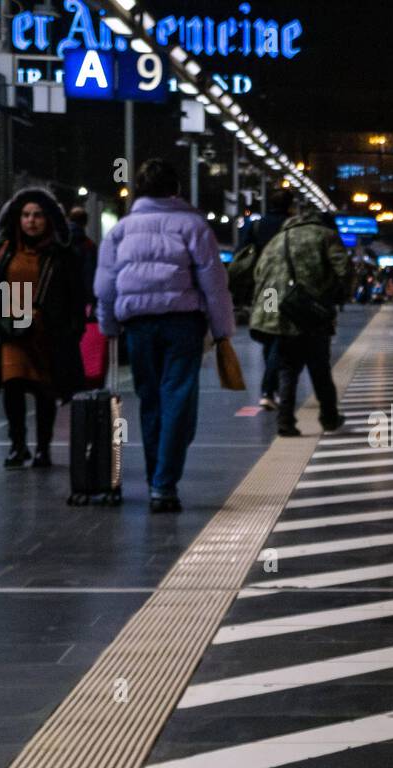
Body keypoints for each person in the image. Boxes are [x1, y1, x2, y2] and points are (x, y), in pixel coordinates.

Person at [95, 158, 236, 514]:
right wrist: (222, 331)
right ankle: (164, 483)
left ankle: (155, 479)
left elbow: (106, 285)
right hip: (182, 323)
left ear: (139, 191)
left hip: (138, 325)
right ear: (176, 190)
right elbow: (214, 284)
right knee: (178, 399)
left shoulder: (121, 230)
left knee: (150, 400)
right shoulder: (194, 227)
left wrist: (107, 325)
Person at [0, 188, 85, 469]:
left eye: (37, 215)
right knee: (12, 386)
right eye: (25, 215)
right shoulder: (4, 247)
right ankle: (17, 445)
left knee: (45, 392)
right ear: (17, 218)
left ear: (48, 219)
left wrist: (73, 330)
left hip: (47, 332)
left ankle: (43, 448)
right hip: (11, 331)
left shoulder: (62, 252)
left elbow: (76, 294)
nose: (31, 221)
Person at [249, 204, 352, 438]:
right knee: (320, 369)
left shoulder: (277, 240)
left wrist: (270, 313)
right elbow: (344, 269)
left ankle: (285, 420)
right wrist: (336, 296)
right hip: (312, 313)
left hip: (281, 315)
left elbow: (261, 276)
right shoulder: (325, 235)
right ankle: (329, 418)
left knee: (288, 370)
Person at [235, 189, 295, 410]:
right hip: (286, 289)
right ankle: (269, 389)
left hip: (263, 289)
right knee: (279, 337)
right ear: (290, 206)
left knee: (270, 335)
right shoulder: (291, 226)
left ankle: (271, 387)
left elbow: (241, 251)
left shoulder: (257, 225)